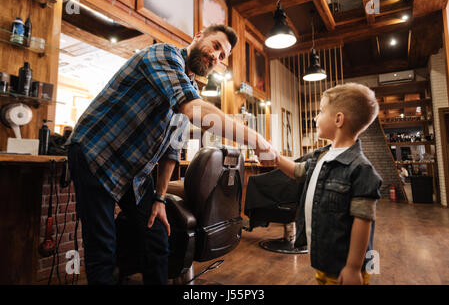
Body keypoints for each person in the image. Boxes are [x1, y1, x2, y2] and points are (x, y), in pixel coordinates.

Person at [67, 24, 277, 285]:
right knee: (103, 248)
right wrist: (255, 138)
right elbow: (193, 111)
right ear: (198, 36)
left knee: (157, 237)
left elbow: (171, 151)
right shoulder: (164, 55)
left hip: (134, 173)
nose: (216, 57)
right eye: (215, 46)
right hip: (96, 153)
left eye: (222, 56)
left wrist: (159, 198)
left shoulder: (190, 86)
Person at [274, 83, 383, 285]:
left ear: (339, 119)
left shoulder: (361, 169)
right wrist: (276, 158)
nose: (316, 117)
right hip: (323, 257)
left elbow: (363, 220)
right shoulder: (321, 156)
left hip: (346, 265)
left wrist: (353, 267)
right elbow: (299, 172)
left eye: (321, 111)